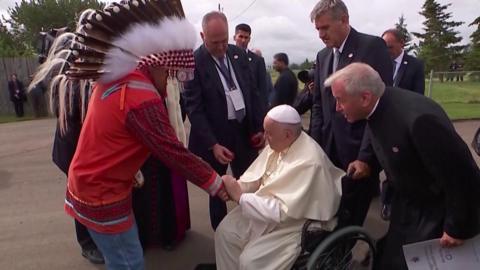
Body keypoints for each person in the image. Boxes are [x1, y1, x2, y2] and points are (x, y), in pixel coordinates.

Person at [31, 2, 229, 269]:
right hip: (103, 195)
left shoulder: (123, 78)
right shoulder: (142, 97)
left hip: (93, 188)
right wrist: (219, 185)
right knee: (129, 262)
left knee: (124, 256)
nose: (169, 79)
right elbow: (174, 153)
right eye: (170, 73)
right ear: (158, 63)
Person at [326, 62, 480, 270]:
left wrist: (457, 227)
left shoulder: (420, 121)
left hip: (436, 211)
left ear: (364, 97)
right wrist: (366, 160)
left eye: (340, 100)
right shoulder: (378, 106)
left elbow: (462, 177)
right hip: (405, 202)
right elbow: (376, 134)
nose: (337, 107)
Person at [215, 105, 344, 270]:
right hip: (263, 207)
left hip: (296, 223)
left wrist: (241, 197)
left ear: (288, 134)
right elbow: (257, 176)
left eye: (269, 133)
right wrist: (235, 187)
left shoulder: (310, 163)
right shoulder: (279, 142)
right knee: (225, 232)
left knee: (251, 261)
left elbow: (283, 212)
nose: (265, 137)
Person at [309, 0, 393, 228]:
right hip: (328, 148)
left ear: (344, 20)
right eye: (317, 29)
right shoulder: (322, 56)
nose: (321, 35)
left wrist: (366, 157)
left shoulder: (371, 47)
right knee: (329, 208)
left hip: (357, 151)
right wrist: (314, 147)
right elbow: (318, 105)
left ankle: (345, 253)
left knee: (351, 215)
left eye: (325, 28)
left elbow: (379, 106)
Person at [183, 11, 265, 230]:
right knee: (218, 191)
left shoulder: (238, 54)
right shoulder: (192, 63)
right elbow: (194, 108)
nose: (221, 48)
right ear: (202, 36)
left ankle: (250, 229)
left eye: (224, 40)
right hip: (215, 137)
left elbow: (252, 93)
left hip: (243, 132)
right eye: (214, 42)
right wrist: (213, 144)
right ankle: (221, 234)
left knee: (249, 183)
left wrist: (259, 128)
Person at [380, 28, 426, 220]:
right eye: (384, 46)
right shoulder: (381, 63)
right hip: (383, 120)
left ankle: (396, 200)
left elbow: (418, 96)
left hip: (404, 122)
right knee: (386, 161)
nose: (386, 50)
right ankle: (386, 200)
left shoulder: (415, 65)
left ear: (401, 44)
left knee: (399, 163)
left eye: (389, 46)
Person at [234, 23, 269, 116]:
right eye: (240, 36)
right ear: (234, 37)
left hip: (252, 112)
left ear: (249, 39)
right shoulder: (226, 58)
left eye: (246, 37)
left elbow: (262, 90)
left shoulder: (258, 61)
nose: (243, 40)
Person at [382, 29, 425, 95]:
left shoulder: (416, 65)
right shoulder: (380, 62)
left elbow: (419, 95)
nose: (387, 51)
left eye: (390, 47)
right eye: (384, 47)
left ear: (402, 43)